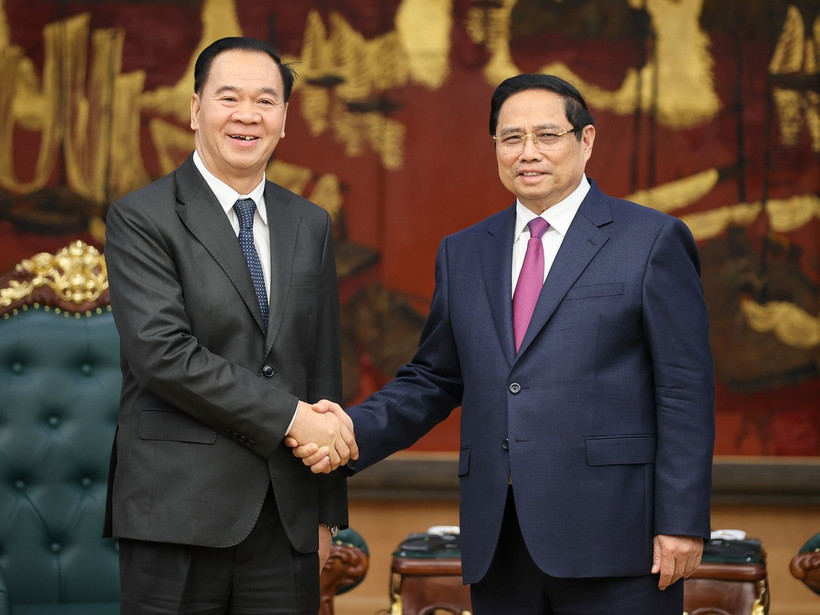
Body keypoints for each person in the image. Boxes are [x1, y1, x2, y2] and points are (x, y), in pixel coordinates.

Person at [291, 73, 715, 613]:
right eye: (511, 138)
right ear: (495, 148)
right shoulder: (465, 251)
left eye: (547, 136)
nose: (528, 152)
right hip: (499, 537)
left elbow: (685, 390)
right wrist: (348, 432)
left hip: (619, 537)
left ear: (586, 141)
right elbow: (434, 378)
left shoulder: (651, 240)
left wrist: (681, 521)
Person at [103, 36, 357, 615]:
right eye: (229, 97)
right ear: (195, 109)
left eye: (265, 101)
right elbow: (163, 355)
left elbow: (321, 366)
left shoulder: (309, 222)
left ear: (285, 119)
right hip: (176, 512)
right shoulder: (141, 217)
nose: (247, 115)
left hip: (285, 519)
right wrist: (290, 417)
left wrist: (325, 513)